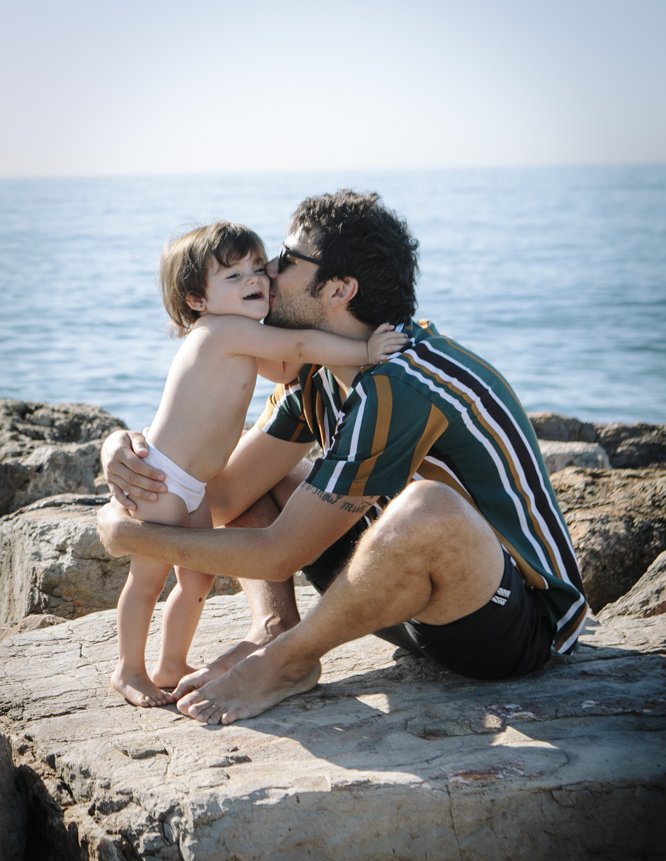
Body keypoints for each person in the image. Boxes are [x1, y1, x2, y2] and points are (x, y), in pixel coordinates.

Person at [98, 190, 587, 726]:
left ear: (338, 289)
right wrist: (130, 453)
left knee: (428, 508)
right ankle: (275, 629)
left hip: (508, 627)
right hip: (394, 597)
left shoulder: (404, 384)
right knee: (266, 473)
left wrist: (132, 538)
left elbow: (279, 553)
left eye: (283, 261)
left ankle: (288, 662)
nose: (267, 275)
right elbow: (223, 495)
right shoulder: (314, 374)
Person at [110, 220, 407, 707]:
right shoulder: (220, 332)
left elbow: (287, 369)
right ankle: (128, 670)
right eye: (233, 276)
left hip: (194, 485)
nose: (254, 279)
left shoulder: (243, 335)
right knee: (146, 582)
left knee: (197, 580)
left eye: (256, 268)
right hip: (163, 479)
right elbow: (296, 350)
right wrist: (364, 351)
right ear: (196, 301)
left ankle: (169, 662)